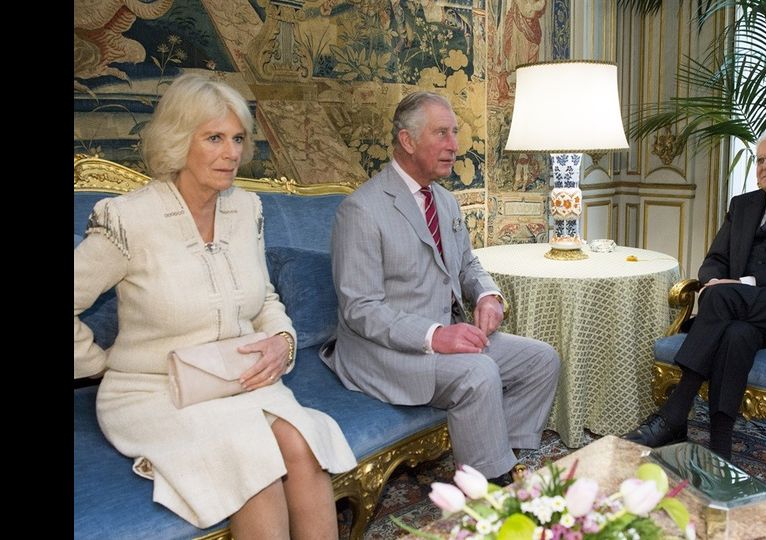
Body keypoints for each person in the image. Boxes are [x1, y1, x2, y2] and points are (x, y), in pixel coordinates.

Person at [74, 73, 356, 538]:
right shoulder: (127, 219)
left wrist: (282, 343)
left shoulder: (246, 209)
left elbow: (264, 297)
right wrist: (98, 362)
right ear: (178, 141)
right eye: (214, 138)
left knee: (302, 444)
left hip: (239, 379)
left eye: (238, 139)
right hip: (155, 392)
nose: (231, 153)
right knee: (254, 463)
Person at [322, 91, 561, 485]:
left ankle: (502, 459)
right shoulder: (361, 210)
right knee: (479, 372)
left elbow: (468, 264)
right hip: (384, 352)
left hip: (447, 338)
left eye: (455, 133)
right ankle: (491, 488)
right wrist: (435, 336)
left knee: (542, 360)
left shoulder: (446, 203)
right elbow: (360, 309)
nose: (454, 145)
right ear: (407, 140)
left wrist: (487, 294)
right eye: (442, 134)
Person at [622, 127, 766, 460]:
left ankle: (674, 414)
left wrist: (746, 283)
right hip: (744, 315)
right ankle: (721, 446)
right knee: (736, 333)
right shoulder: (743, 205)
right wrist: (713, 281)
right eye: (760, 160)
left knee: (723, 298)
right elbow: (715, 260)